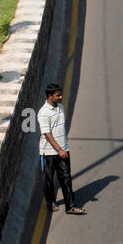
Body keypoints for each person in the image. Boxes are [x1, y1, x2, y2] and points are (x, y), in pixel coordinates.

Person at [38, 82, 85, 215]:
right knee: (48, 180)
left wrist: (63, 147)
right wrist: (59, 150)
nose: (61, 97)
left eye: (60, 94)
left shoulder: (60, 107)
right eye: (57, 95)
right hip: (48, 152)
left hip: (63, 150)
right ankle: (50, 201)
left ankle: (70, 206)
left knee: (66, 178)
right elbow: (47, 134)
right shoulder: (43, 113)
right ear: (49, 96)